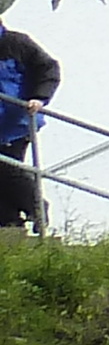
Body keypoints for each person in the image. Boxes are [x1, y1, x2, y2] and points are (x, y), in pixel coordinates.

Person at [0, 21, 55, 237]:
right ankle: (10, 224)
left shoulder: (17, 43)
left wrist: (39, 98)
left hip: (16, 122)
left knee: (8, 169)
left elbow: (48, 68)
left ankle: (36, 206)